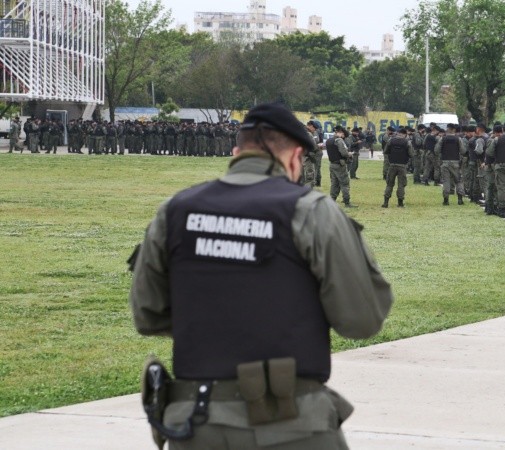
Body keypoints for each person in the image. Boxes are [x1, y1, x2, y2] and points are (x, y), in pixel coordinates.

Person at [129, 102, 393, 450]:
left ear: (237, 153)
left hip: (196, 424)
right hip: (291, 424)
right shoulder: (311, 210)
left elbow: (147, 315)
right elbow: (361, 320)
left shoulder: (175, 211)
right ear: (296, 157)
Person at [434, 123, 467, 205]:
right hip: (456, 162)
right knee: (458, 181)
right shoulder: (458, 139)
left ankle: (446, 200)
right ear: (454, 130)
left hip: (445, 162)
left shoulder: (442, 139)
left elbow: (436, 150)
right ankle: (460, 199)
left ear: (447, 129)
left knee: (446, 181)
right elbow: (463, 151)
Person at [383, 127, 414, 207]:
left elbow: (386, 151)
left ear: (398, 133)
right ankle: (400, 203)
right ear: (405, 134)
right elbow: (411, 154)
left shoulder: (391, 140)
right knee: (401, 184)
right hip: (402, 166)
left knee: (389, 184)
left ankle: (386, 202)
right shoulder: (407, 142)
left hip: (392, 164)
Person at [326, 126, 355, 207]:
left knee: (334, 184)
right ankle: (347, 202)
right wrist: (349, 154)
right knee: (345, 183)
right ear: (341, 133)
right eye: (343, 135)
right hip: (340, 165)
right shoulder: (339, 140)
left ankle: (332, 201)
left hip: (332, 164)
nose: (344, 137)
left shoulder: (329, 140)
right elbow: (344, 153)